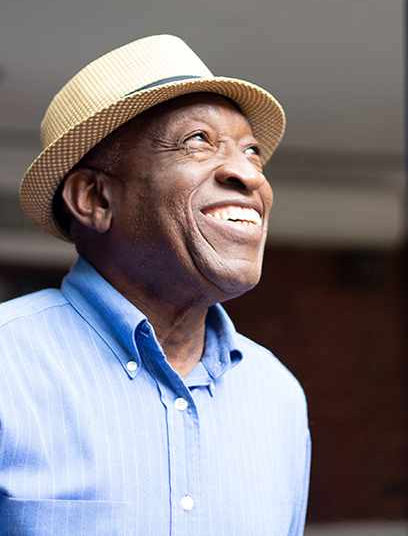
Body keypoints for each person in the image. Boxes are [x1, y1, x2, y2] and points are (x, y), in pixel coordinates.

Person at [0, 35, 310, 535]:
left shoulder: (277, 394)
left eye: (252, 151)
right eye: (197, 141)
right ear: (96, 199)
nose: (248, 175)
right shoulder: (6, 365)